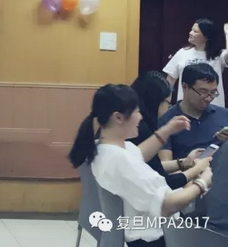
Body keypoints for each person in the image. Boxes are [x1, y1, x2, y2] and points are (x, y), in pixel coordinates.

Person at [69, 84, 213, 247]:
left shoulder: (102, 148)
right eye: (136, 112)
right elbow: (167, 205)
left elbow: (137, 154)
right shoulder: (119, 160)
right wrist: (202, 181)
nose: (140, 117)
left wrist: (167, 130)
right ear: (118, 117)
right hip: (158, 238)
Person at [129, 72, 206, 189]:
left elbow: (152, 165)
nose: (168, 108)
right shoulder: (139, 129)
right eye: (168, 103)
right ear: (155, 102)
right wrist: (198, 173)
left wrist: (184, 162)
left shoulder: (130, 124)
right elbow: (163, 182)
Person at [159, 63, 228, 162]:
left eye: (213, 92)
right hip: (188, 171)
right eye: (203, 91)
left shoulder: (224, 115)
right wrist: (187, 163)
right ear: (185, 87)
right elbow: (165, 165)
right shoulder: (167, 121)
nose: (208, 98)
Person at [164, 19, 227, 107]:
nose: (190, 33)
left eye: (195, 31)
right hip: (186, 108)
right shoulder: (182, 53)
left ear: (206, 37)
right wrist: (166, 102)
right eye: (191, 30)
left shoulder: (219, 55)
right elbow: (170, 79)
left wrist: (227, 33)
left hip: (213, 107)